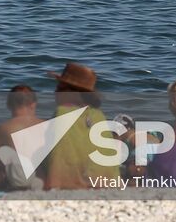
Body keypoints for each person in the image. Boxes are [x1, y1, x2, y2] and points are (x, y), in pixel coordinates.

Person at [42, 62, 121, 190]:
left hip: (73, 183)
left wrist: (53, 185)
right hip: (107, 182)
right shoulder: (98, 115)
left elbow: (58, 154)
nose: (56, 91)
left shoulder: (62, 112)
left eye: (61, 88)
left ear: (75, 93)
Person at [0, 85, 42, 191]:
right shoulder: (46, 125)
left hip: (16, 183)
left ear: (8, 105)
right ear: (33, 105)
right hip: (42, 180)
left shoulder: (4, 128)